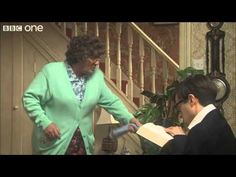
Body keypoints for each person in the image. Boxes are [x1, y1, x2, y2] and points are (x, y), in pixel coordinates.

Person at [22, 34, 141, 155]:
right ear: (79, 57)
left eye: (98, 57)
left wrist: (129, 118)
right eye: (92, 57)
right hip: (54, 144)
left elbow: (112, 102)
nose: (97, 62)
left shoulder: (97, 76)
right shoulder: (51, 72)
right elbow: (30, 98)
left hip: (82, 145)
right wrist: (45, 123)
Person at [160, 74, 236, 154]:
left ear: (191, 100)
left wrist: (179, 138)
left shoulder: (202, 130)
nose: (180, 115)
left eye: (178, 107)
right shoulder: (216, 119)